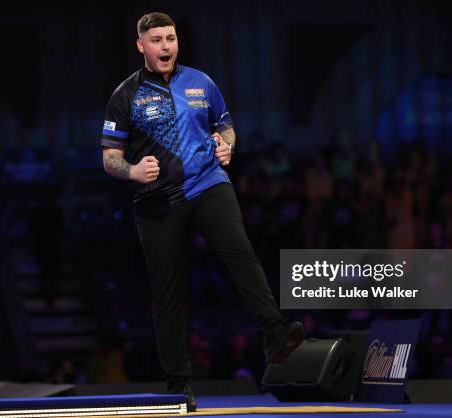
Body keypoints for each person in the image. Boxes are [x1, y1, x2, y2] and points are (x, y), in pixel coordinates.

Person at [100, 12, 303, 410]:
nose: (165, 46)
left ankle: (275, 333)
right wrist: (134, 171)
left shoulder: (202, 82)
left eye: (170, 38)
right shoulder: (125, 95)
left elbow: (225, 127)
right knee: (168, 292)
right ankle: (178, 384)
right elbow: (109, 157)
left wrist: (227, 145)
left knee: (241, 253)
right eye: (156, 40)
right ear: (141, 46)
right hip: (157, 200)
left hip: (208, 184)